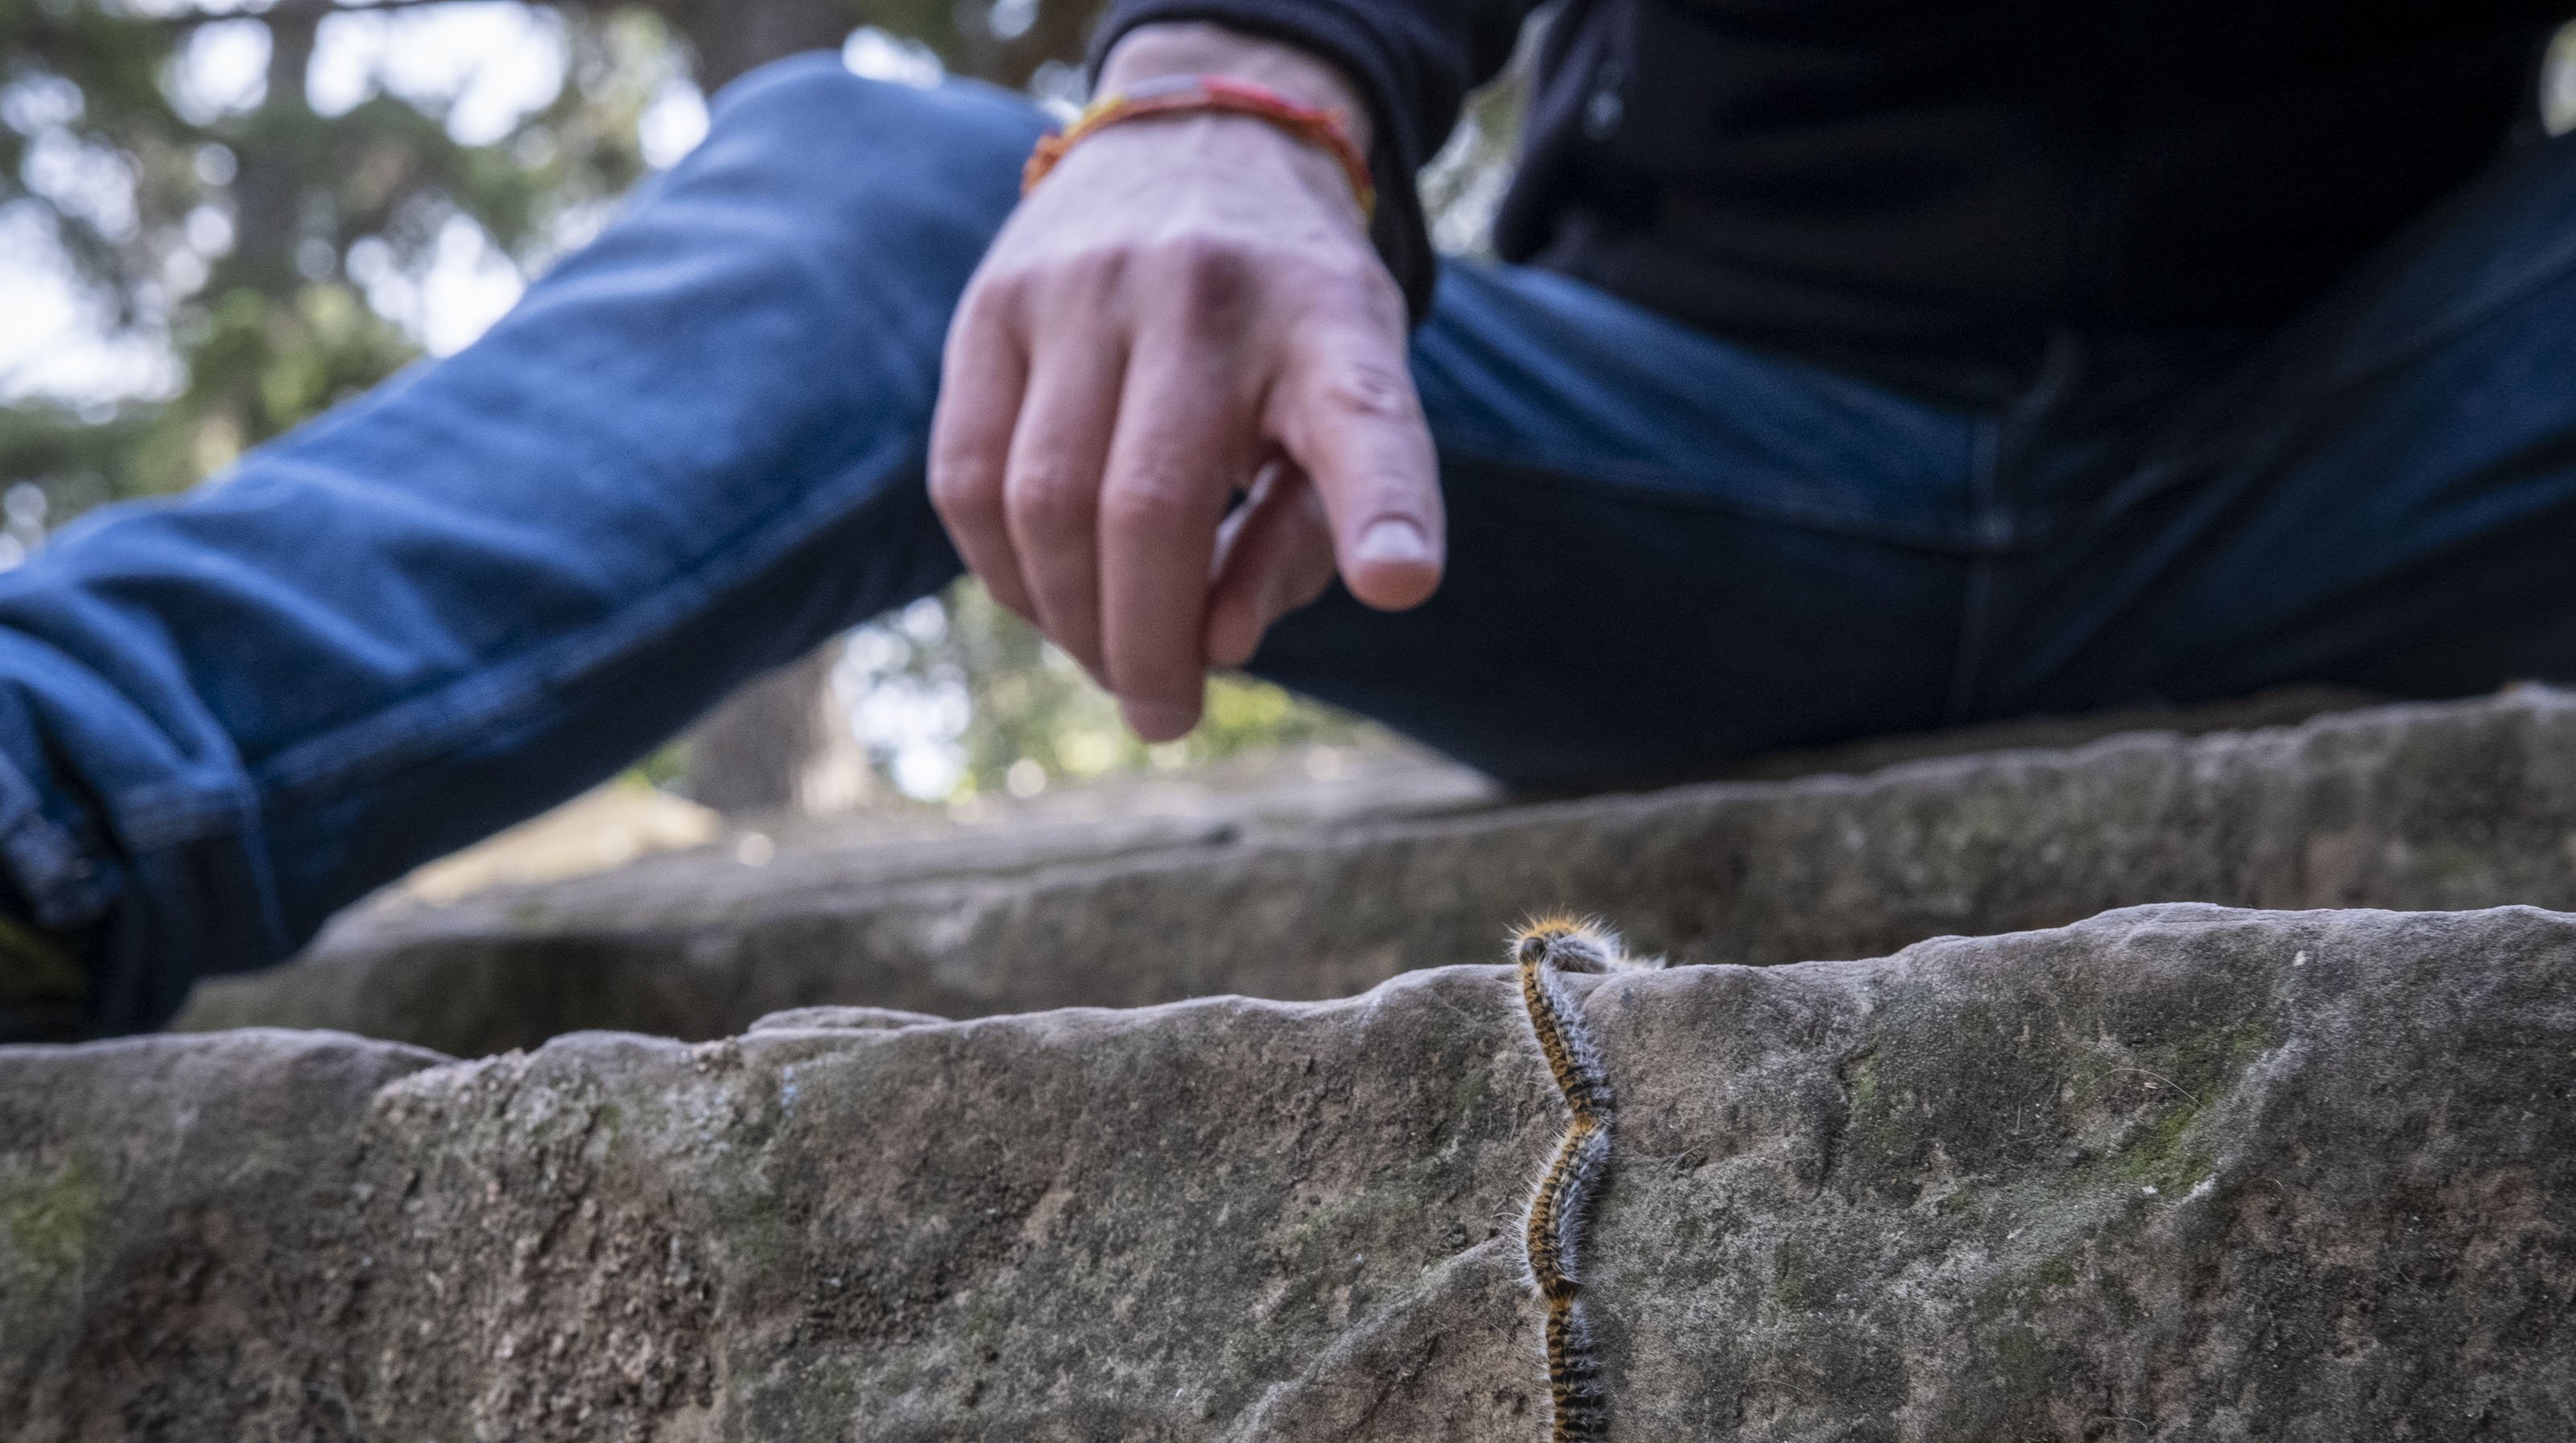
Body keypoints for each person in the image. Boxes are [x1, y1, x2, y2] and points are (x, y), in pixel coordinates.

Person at [6, 0, 2576, 1040]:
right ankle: (58, 787)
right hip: (1643, 465)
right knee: (909, 190)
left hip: (2371, 439)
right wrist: (1245, 79)